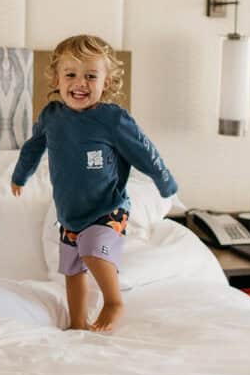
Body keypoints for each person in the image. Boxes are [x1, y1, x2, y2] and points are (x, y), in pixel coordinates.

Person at [11, 35, 178, 332]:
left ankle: (114, 301)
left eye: (91, 76)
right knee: (72, 270)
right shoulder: (51, 117)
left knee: (91, 249)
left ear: (108, 82)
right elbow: (33, 147)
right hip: (70, 215)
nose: (80, 83)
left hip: (107, 208)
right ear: (57, 78)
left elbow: (145, 151)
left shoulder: (112, 119)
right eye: (71, 75)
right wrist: (20, 176)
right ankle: (77, 324)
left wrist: (165, 182)